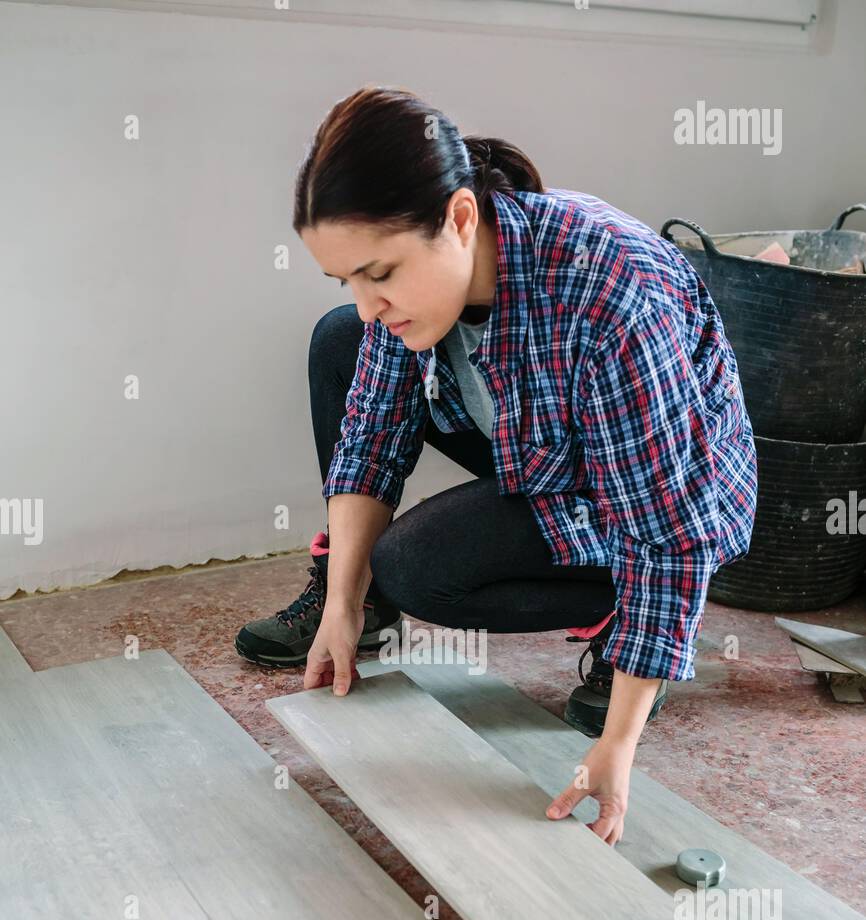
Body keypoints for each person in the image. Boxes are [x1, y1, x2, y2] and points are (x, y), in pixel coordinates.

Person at [236, 85, 757, 846]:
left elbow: (669, 529)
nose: (369, 297)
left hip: (668, 493)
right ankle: (362, 607)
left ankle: (620, 615)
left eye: (379, 273)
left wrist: (618, 745)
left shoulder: (613, 295)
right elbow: (372, 434)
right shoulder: (408, 289)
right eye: (347, 275)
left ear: (459, 218)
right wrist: (344, 599)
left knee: (416, 566)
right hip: (542, 439)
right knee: (341, 340)